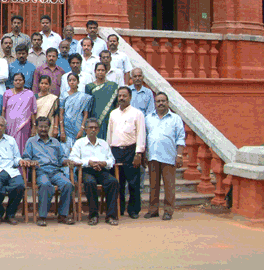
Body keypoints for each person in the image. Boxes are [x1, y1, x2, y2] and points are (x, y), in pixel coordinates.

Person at [23, 117, 74, 226]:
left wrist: (66, 161)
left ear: (49, 127)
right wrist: (31, 162)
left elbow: (61, 158)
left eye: (45, 126)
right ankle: (42, 216)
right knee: (46, 185)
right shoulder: (31, 141)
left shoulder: (55, 142)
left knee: (67, 184)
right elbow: (26, 157)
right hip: (40, 171)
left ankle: (63, 215)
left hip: (56, 171)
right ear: (36, 127)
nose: (43, 129)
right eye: (40, 126)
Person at [69, 118, 119, 226]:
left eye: (95, 128)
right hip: (85, 170)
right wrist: (89, 162)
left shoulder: (104, 143)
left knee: (113, 182)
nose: (93, 130)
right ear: (86, 129)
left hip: (101, 170)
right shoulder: (79, 143)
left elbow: (112, 160)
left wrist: (104, 163)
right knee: (90, 183)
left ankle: (111, 216)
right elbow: (73, 159)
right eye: (90, 128)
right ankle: (93, 215)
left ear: (98, 130)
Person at [144, 92, 185, 221]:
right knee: (153, 185)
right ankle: (153, 210)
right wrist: (144, 153)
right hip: (153, 156)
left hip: (169, 156)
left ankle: (168, 211)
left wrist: (179, 155)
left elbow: (181, 138)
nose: (160, 103)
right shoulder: (148, 118)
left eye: (163, 101)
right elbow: (144, 137)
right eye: (158, 101)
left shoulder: (175, 118)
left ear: (168, 102)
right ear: (155, 103)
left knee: (169, 185)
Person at [107, 86, 146, 219]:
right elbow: (109, 134)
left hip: (131, 151)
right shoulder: (113, 114)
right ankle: (120, 208)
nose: (122, 98)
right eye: (120, 96)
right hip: (115, 152)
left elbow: (141, 134)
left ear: (130, 97)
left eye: (124, 96)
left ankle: (134, 210)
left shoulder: (137, 113)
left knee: (133, 182)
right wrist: (108, 152)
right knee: (118, 182)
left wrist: (138, 153)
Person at [3, 72, 37, 153]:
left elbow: (33, 112)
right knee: (10, 145)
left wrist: (34, 127)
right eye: (16, 80)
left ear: (24, 81)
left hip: (24, 126)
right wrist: (3, 125)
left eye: (20, 80)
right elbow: (3, 110)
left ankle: (22, 164)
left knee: (22, 146)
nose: (18, 82)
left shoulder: (29, 94)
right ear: (13, 82)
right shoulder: (7, 93)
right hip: (9, 125)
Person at [59, 74, 93, 152]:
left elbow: (85, 114)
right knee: (66, 151)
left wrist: (82, 129)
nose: (72, 82)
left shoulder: (84, 97)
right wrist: (62, 130)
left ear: (78, 82)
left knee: (79, 150)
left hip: (78, 126)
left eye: (74, 80)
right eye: (70, 80)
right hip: (66, 127)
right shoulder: (64, 95)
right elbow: (61, 113)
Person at [85, 62, 119, 139]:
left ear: (106, 72)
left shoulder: (113, 86)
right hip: (94, 119)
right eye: (98, 70)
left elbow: (116, 104)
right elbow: (87, 106)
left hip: (109, 119)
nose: (100, 72)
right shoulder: (89, 87)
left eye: (102, 70)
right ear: (95, 72)